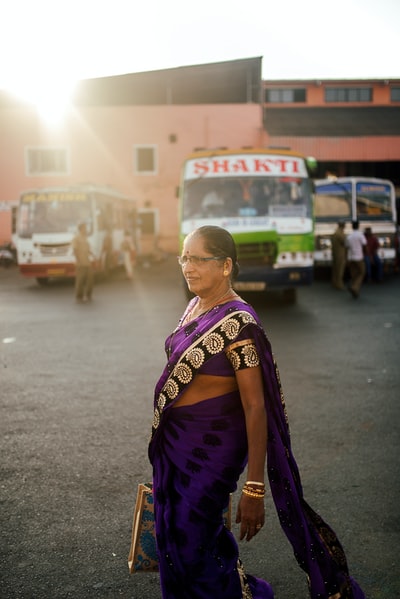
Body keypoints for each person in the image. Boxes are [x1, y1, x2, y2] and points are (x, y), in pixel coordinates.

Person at [148, 225, 365, 599]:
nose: (188, 266)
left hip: (210, 453)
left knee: (191, 539)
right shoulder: (195, 305)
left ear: (226, 265)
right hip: (177, 448)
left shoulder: (240, 326)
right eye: (185, 257)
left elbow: (254, 405)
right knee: (175, 535)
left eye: (200, 259)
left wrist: (254, 486)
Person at [72, 222, 94, 302]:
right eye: (85, 228)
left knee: (90, 279)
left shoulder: (85, 237)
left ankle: (88, 295)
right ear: (81, 229)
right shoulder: (76, 238)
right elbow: (75, 250)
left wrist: (92, 254)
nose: (86, 229)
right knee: (80, 280)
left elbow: (87, 248)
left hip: (87, 261)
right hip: (81, 262)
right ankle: (79, 296)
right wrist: (78, 260)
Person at [345, 221, 367, 299]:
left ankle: (355, 291)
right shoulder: (360, 235)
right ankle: (354, 287)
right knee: (361, 272)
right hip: (359, 257)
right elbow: (364, 244)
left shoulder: (349, 236)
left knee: (354, 274)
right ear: (358, 226)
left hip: (351, 258)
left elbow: (346, 248)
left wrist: (347, 259)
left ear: (352, 227)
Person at [331, 221, 347, 290]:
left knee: (335, 269)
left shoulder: (336, 232)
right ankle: (339, 284)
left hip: (335, 252)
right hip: (340, 253)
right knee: (340, 269)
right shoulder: (340, 233)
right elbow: (345, 242)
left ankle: (334, 283)